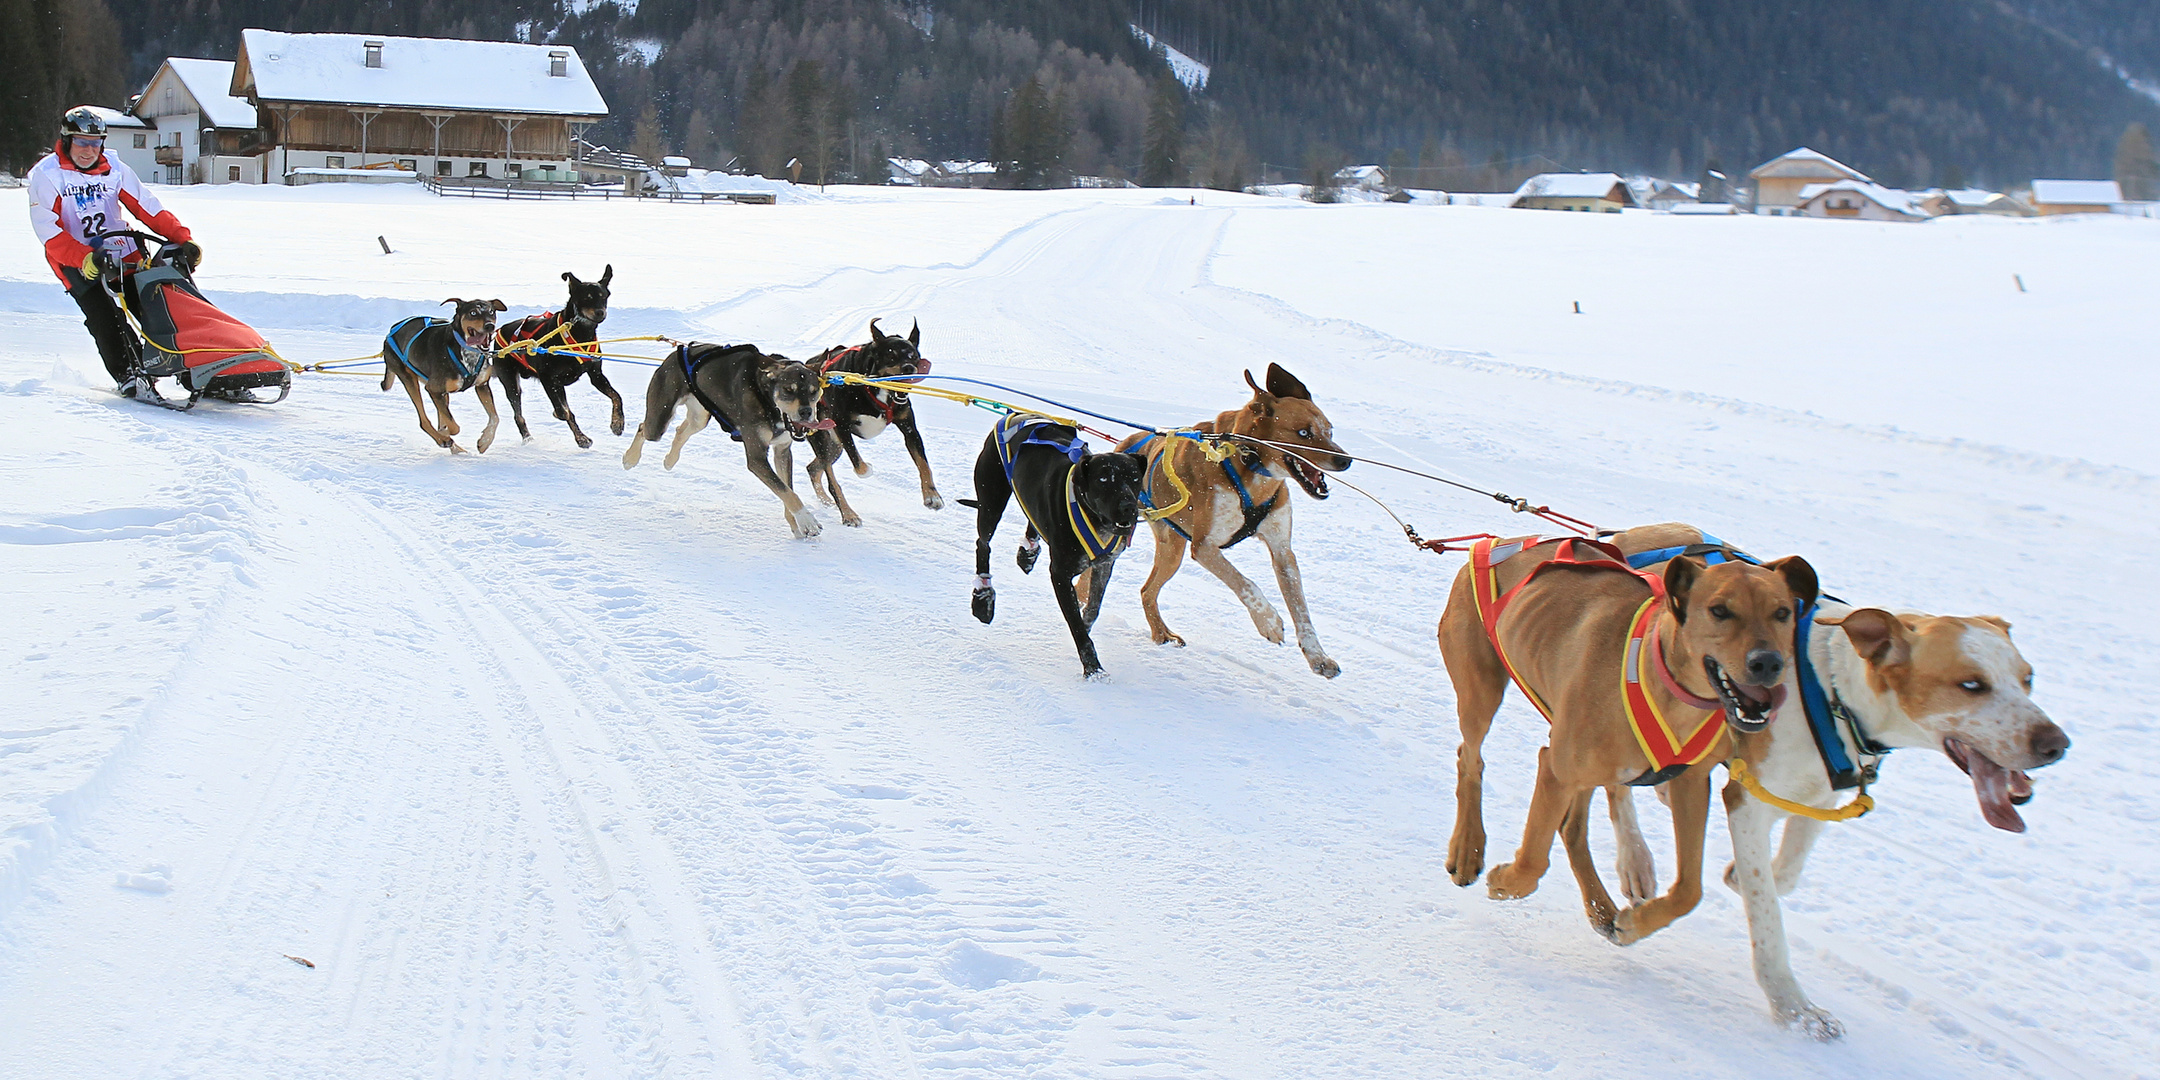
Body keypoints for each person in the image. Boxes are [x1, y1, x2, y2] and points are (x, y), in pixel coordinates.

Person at [25, 106, 202, 396]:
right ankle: (128, 374)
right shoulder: (47, 176)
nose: (88, 151)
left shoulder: (114, 168)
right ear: (67, 141)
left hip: (123, 252)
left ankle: (196, 368)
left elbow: (147, 206)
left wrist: (182, 238)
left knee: (159, 308)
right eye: (81, 143)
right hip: (76, 261)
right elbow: (49, 232)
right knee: (105, 316)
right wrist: (83, 258)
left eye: (95, 144)